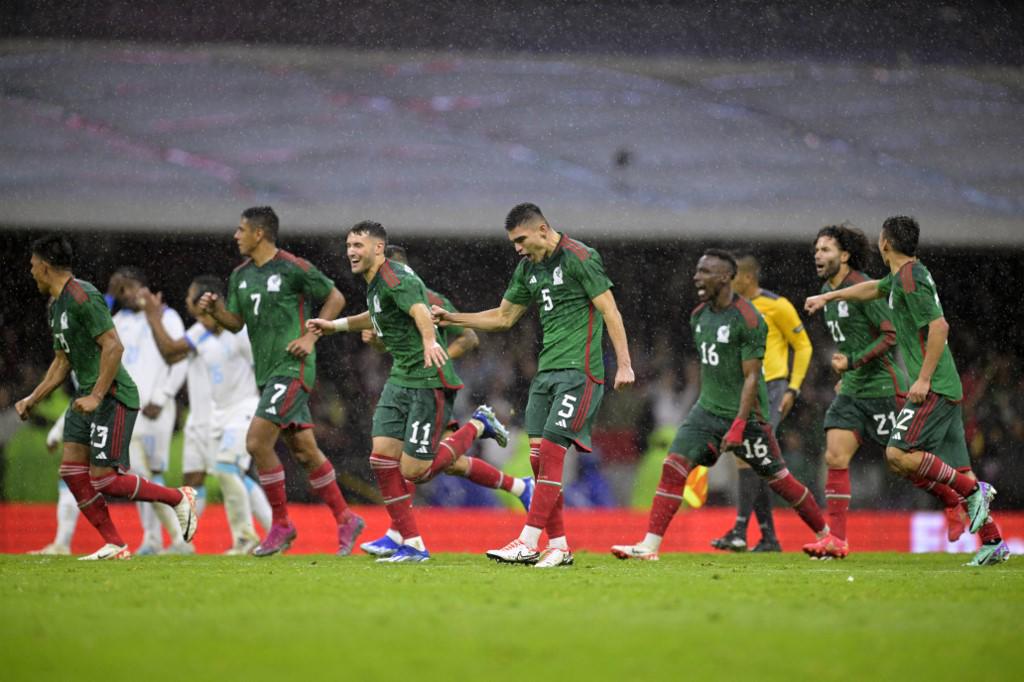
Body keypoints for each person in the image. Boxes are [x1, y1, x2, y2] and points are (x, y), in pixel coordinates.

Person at [433, 203, 635, 568]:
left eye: (521, 240)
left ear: (542, 229)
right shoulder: (527, 269)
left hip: (580, 373)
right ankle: (558, 545)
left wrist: (623, 363)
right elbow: (503, 317)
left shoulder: (580, 257)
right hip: (546, 375)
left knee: (554, 453)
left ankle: (527, 541)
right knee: (539, 459)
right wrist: (452, 317)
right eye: (513, 243)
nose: (518, 249)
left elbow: (610, 310)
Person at [307, 222, 521, 563]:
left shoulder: (399, 279)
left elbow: (427, 315)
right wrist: (335, 326)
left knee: (415, 471)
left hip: (427, 384)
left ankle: (477, 425)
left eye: (358, 245)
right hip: (401, 380)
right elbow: (375, 319)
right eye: (348, 244)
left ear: (380, 250)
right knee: (382, 458)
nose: (350, 251)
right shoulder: (377, 285)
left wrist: (429, 343)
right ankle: (411, 541)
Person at [804, 216, 1007, 566]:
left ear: (885, 243)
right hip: (943, 384)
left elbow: (939, 326)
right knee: (960, 469)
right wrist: (831, 296)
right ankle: (993, 541)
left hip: (932, 386)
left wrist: (924, 379)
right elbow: (870, 289)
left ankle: (972, 493)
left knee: (899, 455)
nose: (818, 254)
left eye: (825, 248)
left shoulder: (910, 278)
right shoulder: (902, 276)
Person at [611, 250, 829, 561]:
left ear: (726, 277)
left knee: (779, 479)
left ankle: (827, 536)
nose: (697, 277)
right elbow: (714, 371)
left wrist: (740, 423)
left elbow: (753, 378)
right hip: (706, 412)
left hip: (748, 418)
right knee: (673, 466)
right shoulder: (699, 316)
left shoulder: (750, 319)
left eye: (706, 272)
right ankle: (649, 546)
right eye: (697, 271)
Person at [15, 234, 197, 560]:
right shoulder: (58, 307)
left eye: (32, 265)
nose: (30, 272)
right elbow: (62, 361)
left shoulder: (83, 295)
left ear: (44, 266)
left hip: (112, 396)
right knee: (72, 472)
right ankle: (116, 544)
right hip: (86, 398)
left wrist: (98, 396)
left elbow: (114, 346)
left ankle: (177, 497)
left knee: (105, 480)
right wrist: (33, 398)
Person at [198, 206, 363, 557]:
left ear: (259, 233)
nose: (236, 235)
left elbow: (336, 297)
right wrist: (215, 311)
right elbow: (236, 322)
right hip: (269, 372)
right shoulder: (240, 275)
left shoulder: (293, 267)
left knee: (257, 443)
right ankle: (347, 518)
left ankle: (282, 525)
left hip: (294, 367)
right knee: (305, 452)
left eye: (241, 229)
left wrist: (311, 337)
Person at [354, 244, 534, 558]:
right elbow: (397, 347)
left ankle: (478, 425)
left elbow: (469, 338)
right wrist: (379, 342)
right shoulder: (387, 299)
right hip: (409, 386)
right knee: (446, 463)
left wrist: (436, 359)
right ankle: (520, 487)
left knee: (414, 463)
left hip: (432, 387)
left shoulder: (428, 298)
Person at [141, 275, 272, 554]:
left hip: (243, 411)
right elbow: (170, 352)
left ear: (204, 301)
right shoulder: (199, 332)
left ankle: (264, 533)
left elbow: (265, 367)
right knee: (197, 479)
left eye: (190, 297)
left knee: (228, 469)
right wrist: (154, 317)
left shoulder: (239, 332)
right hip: (209, 418)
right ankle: (183, 542)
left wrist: (270, 410)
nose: (187, 302)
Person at [712, 254, 813, 553]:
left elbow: (803, 346)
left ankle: (742, 529)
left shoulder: (777, 305)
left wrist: (793, 389)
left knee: (750, 455)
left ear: (748, 278)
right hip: (746, 388)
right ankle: (768, 536)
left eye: (734, 276)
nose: (729, 281)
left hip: (772, 388)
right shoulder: (732, 308)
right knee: (757, 460)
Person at [108, 267, 191, 554]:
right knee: (139, 475)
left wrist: (164, 395)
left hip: (157, 409)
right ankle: (159, 539)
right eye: (122, 290)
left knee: (153, 472)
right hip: (127, 408)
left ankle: (168, 540)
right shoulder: (117, 321)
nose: (129, 294)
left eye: (133, 287)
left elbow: (181, 360)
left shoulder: (167, 316)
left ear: (145, 287)